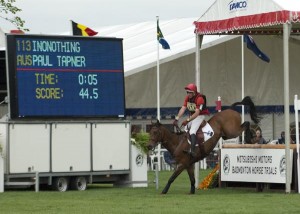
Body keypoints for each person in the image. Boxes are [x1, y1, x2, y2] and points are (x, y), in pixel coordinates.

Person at [173, 83, 209, 157]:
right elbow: (183, 108)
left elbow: (197, 112)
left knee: (192, 131)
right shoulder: (187, 98)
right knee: (185, 129)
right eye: (187, 92)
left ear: (194, 92)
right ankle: (186, 146)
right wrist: (177, 118)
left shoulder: (200, 99)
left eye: (190, 92)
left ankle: (193, 151)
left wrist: (187, 120)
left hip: (199, 116)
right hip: (193, 116)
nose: (188, 94)